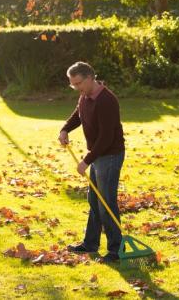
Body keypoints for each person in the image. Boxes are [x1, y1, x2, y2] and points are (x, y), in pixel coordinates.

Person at [58, 61, 125, 263]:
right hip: (98, 156)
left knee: (106, 202)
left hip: (110, 156)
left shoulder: (107, 100)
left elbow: (106, 137)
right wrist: (65, 129)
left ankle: (115, 251)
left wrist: (87, 161)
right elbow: (78, 114)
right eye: (73, 84)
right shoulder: (86, 96)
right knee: (94, 200)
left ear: (89, 78)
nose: (76, 88)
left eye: (78, 83)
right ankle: (90, 243)